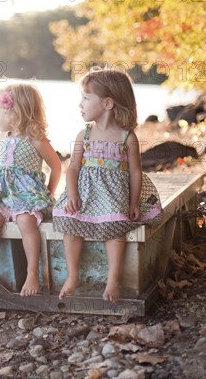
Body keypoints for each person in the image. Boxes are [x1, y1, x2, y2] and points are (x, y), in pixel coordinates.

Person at [52, 67, 163, 303]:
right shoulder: (85, 134)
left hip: (113, 197)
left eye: (85, 97)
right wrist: (72, 195)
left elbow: (135, 172)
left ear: (108, 103)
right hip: (85, 194)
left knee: (116, 227)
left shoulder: (127, 137)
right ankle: (73, 275)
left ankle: (114, 279)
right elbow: (72, 168)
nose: (80, 104)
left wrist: (133, 202)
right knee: (70, 224)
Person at [0, 83, 62, 297]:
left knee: (26, 221)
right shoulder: (3, 137)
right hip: (1, 194)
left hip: (26, 196)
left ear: (14, 113)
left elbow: (56, 166)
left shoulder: (36, 139)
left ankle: (32, 273)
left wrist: (48, 192)